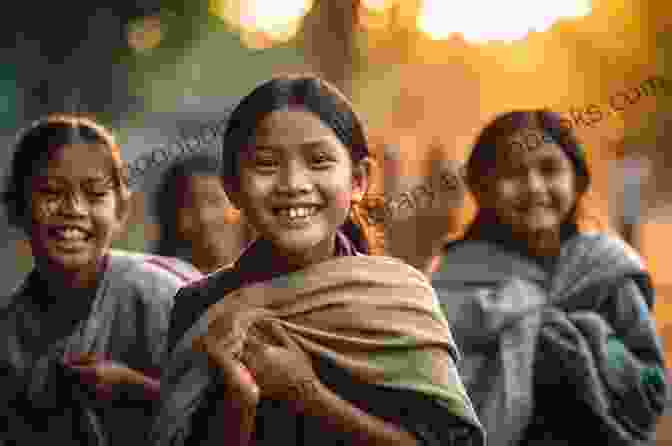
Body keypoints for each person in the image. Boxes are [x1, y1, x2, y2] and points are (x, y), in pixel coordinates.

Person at [150, 75, 484, 446]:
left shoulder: (400, 301)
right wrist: (240, 401)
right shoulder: (202, 306)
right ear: (233, 186)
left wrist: (308, 393)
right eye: (266, 164)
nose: (293, 183)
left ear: (358, 180)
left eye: (319, 161)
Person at [430, 109, 668, 445]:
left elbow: (653, 391)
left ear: (578, 179)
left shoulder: (605, 269)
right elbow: (431, 390)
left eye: (550, 169)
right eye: (512, 173)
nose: (533, 187)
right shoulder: (455, 275)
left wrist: (592, 340)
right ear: (483, 188)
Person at [0, 114, 202, 445]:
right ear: (15, 208)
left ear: (122, 210)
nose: (74, 209)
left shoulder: (169, 295)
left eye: (95, 194)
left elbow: (243, 411)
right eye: (51, 192)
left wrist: (136, 390)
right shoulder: (9, 334)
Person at [154, 152, 254, 272]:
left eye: (215, 201)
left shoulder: (275, 279)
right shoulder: (160, 284)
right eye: (189, 205)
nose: (204, 217)